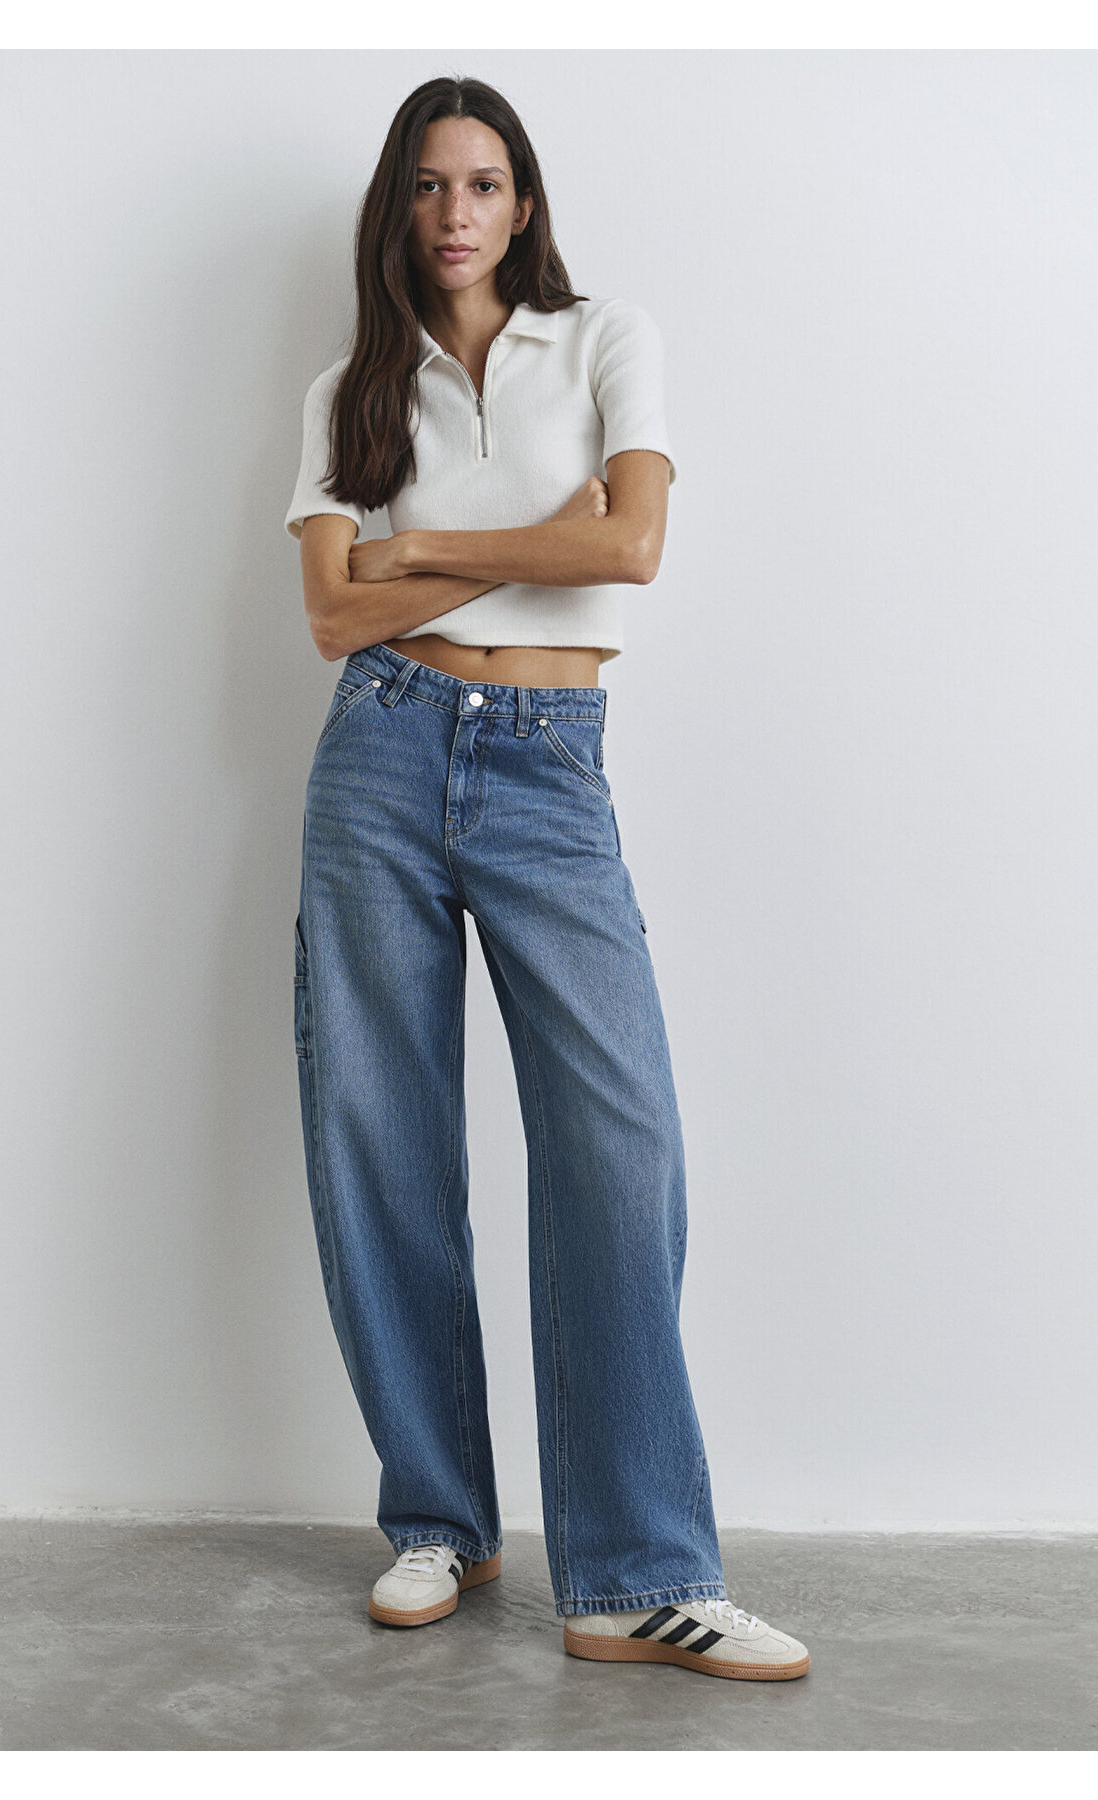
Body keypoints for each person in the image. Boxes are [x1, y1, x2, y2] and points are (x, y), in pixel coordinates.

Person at [284, 75, 810, 1682]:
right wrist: (530, 534)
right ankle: (437, 1519)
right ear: (398, 204)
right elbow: (330, 617)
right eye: (429, 184)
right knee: (379, 1137)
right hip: (379, 752)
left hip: (548, 764)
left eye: (484, 182)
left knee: (618, 1142)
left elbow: (631, 546)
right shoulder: (350, 389)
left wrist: (415, 549)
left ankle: (635, 1573)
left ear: (524, 203)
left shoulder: (600, 339)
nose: (455, 212)